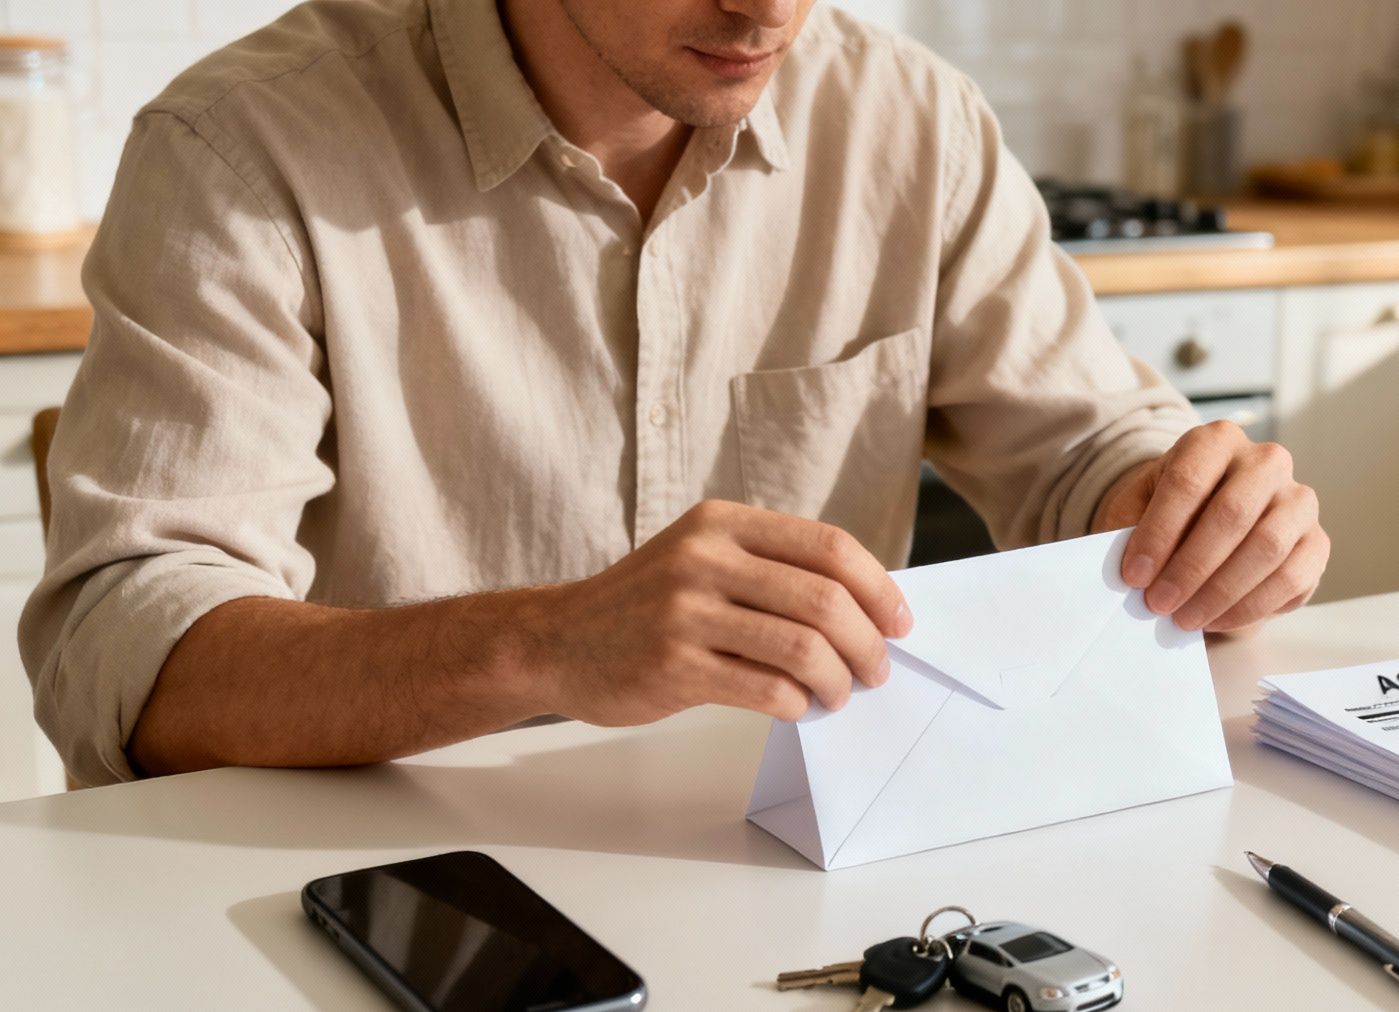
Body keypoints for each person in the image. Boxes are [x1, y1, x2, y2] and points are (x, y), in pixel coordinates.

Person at [20, 0, 1328, 789]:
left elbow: (1084, 447)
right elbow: (128, 653)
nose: (767, 9)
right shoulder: (244, 153)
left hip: (783, 885)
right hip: (376, 915)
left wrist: (1184, 509)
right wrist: (547, 644)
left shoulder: (913, 125)